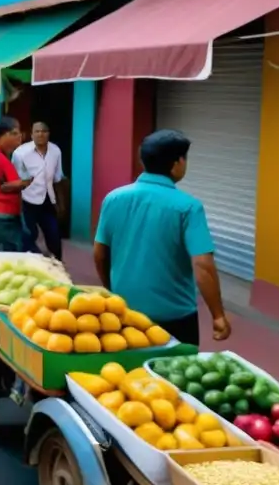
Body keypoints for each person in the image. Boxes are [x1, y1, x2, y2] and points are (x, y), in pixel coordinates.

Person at [94, 130, 232, 347]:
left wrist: (112, 289)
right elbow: (203, 266)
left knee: (131, 377)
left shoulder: (113, 198)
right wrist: (218, 316)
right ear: (177, 163)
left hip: (125, 313)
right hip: (176, 318)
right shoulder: (188, 207)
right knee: (174, 377)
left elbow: (100, 253)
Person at [13, 121, 65, 260]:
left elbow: (58, 179)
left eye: (44, 131)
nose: (41, 134)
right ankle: (35, 264)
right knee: (28, 237)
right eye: (37, 131)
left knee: (54, 235)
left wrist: (61, 204)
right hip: (27, 201)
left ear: (48, 134)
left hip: (47, 200)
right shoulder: (20, 153)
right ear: (31, 134)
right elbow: (14, 180)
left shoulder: (55, 151)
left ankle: (58, 265)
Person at [0, 117, 31, 252]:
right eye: (14, 133)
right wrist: (27, 182)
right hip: (2, 219)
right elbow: (1, 187)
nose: (19, 136)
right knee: (22, 254)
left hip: (8, 215)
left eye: (19, 132)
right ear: (0, 137)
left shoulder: (7, 156)